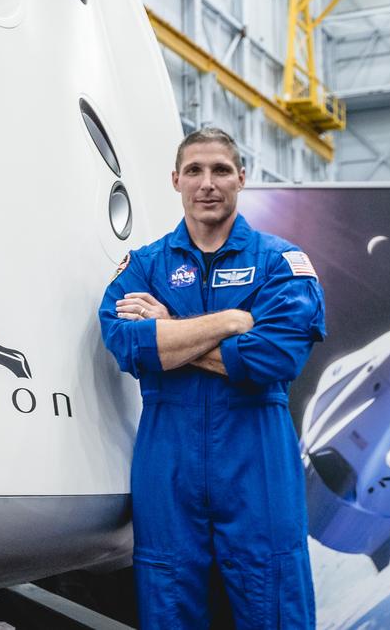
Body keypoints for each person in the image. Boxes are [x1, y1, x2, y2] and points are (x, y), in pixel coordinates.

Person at [98, 127, 325, 629]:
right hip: (168, 462)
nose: (208, 183)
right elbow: (127, 344)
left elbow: (274, 357)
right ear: (176, 180)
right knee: (169, 599)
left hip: (257, 458)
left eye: (221, 170)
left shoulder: (280, 265)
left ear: (242, 178)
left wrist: (169, 332)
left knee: (273, 597)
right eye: (195, 171)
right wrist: (229, 322)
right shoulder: (144, 266)